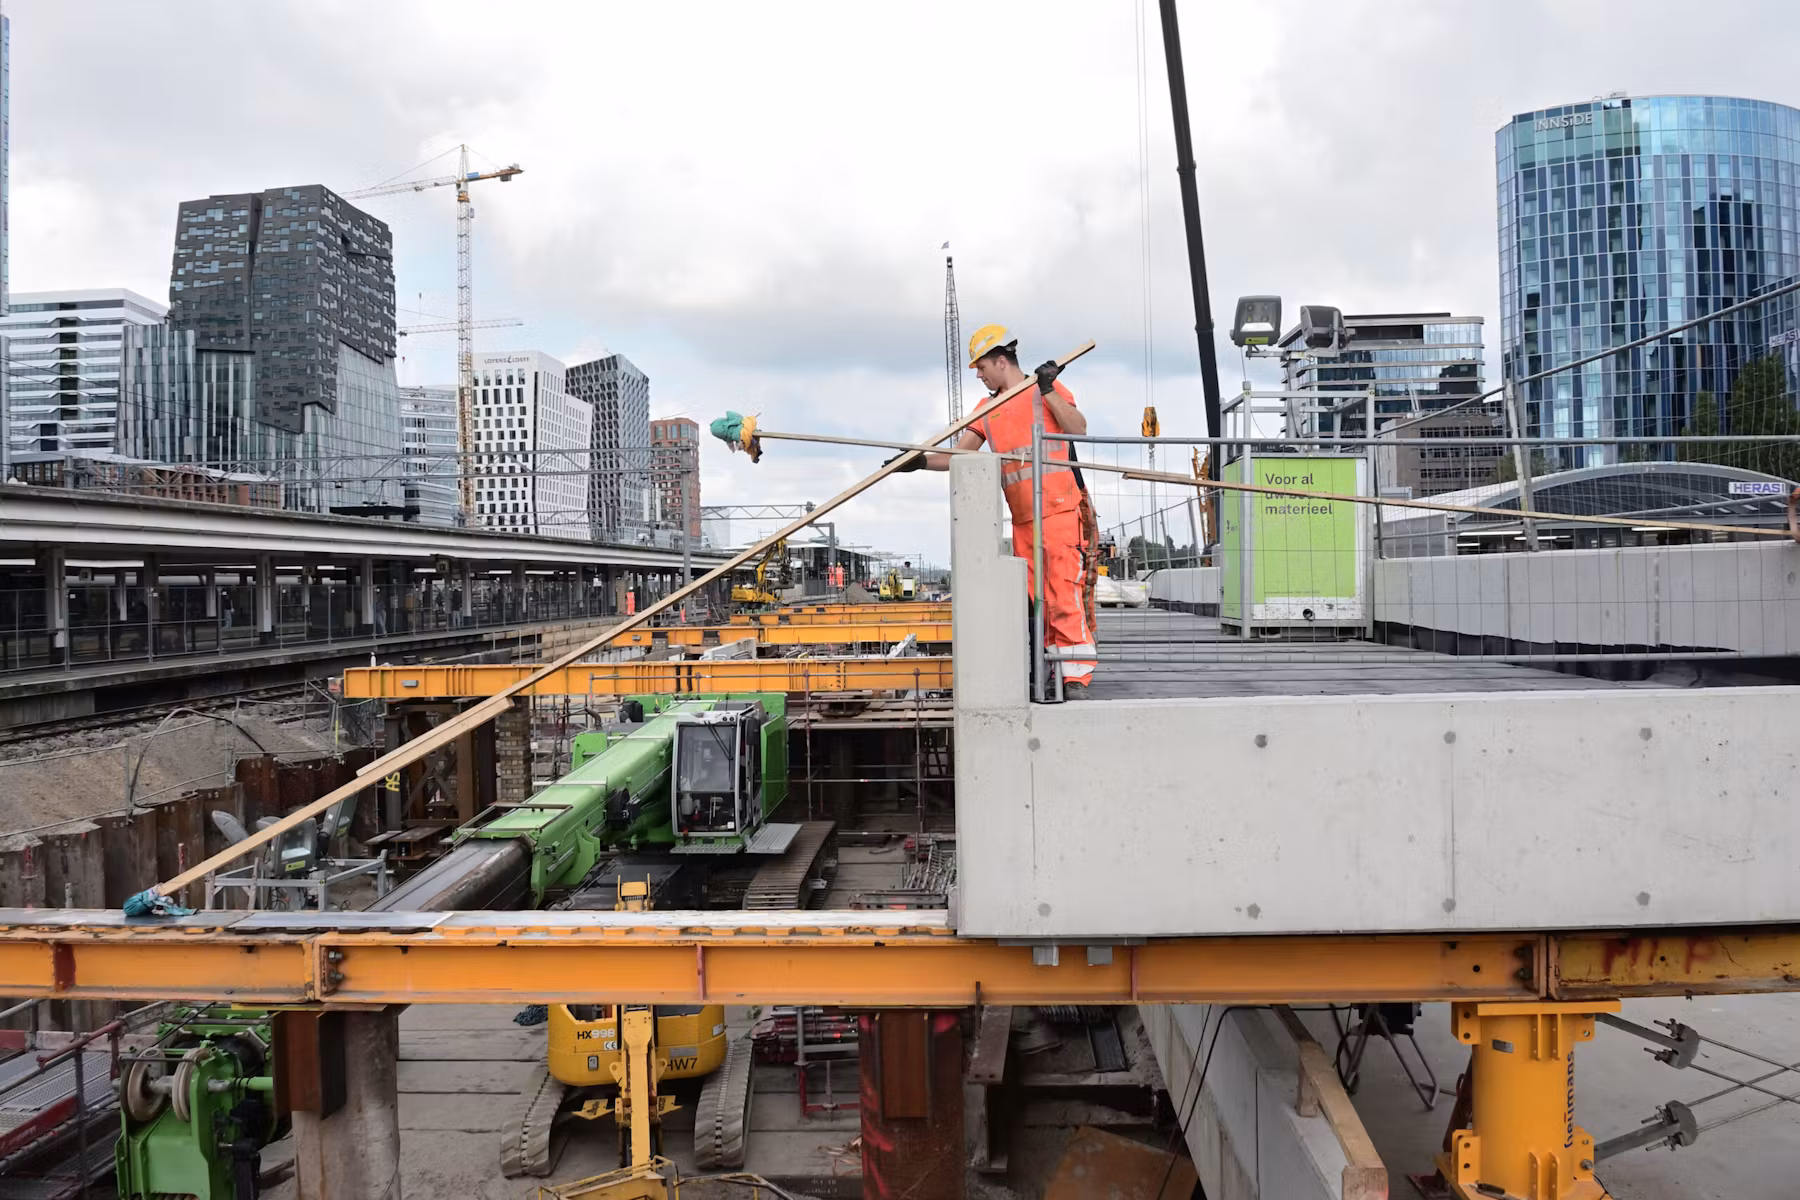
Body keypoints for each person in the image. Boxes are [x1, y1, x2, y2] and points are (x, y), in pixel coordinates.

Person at [896, 324, 1097, 696]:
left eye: (981, 366)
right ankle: (1054, 667)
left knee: (1063, 591)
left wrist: (1050, 388)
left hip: (1058, 509)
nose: (977, 374)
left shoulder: (1042, 390)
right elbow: (961, 453)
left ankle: (1077, 675)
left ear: (1000, 361)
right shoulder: (988, 409)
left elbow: (1078, 429)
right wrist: (920, 462)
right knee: (1040, 599)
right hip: (1023, 519)